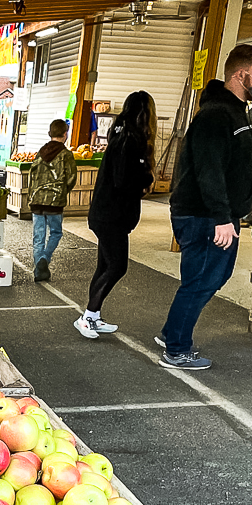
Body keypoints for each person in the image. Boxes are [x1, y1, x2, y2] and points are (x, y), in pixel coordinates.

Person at [158, 44, 252, 371]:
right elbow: (209, 170)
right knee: (202, 281)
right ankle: (177, 350)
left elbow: (236, 163)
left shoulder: (235, 112)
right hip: (204, 217)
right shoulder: (216, 115)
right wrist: (222, 218)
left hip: (217, 215)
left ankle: (171, 333)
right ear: (241, 75)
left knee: (211, 278)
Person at [74, 91, 156, 339]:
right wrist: (147, 176)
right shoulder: (132, 140)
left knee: (105, 265)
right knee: (118, 266)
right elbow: (124, 180)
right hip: (113, 215)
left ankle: (94, 316)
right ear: (145, 113)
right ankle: (87, 316)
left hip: (105, 212)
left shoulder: (119, 132)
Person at [29, 118, 78, 282]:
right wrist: (63, 192)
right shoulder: (66, 155)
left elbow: (32, 175)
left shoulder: (40, 152)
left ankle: (39, 270)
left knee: (38, 237)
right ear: (65, 134)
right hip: (55, 201)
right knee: (56, 233)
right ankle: (44, 259)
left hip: (36, 200)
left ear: (50, 134)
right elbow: (71, 178)